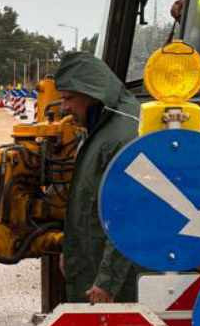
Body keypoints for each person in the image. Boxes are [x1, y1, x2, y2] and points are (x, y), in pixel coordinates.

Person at [54, 51, 141, 304]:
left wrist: (107, 282)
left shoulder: (122, 136)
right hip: (92, 267)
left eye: (69, 98)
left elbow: (128, 215)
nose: (64, 108)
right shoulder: (100, 130)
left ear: (91, 92)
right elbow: (85, 201)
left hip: (115, 286)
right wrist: (69, 252)